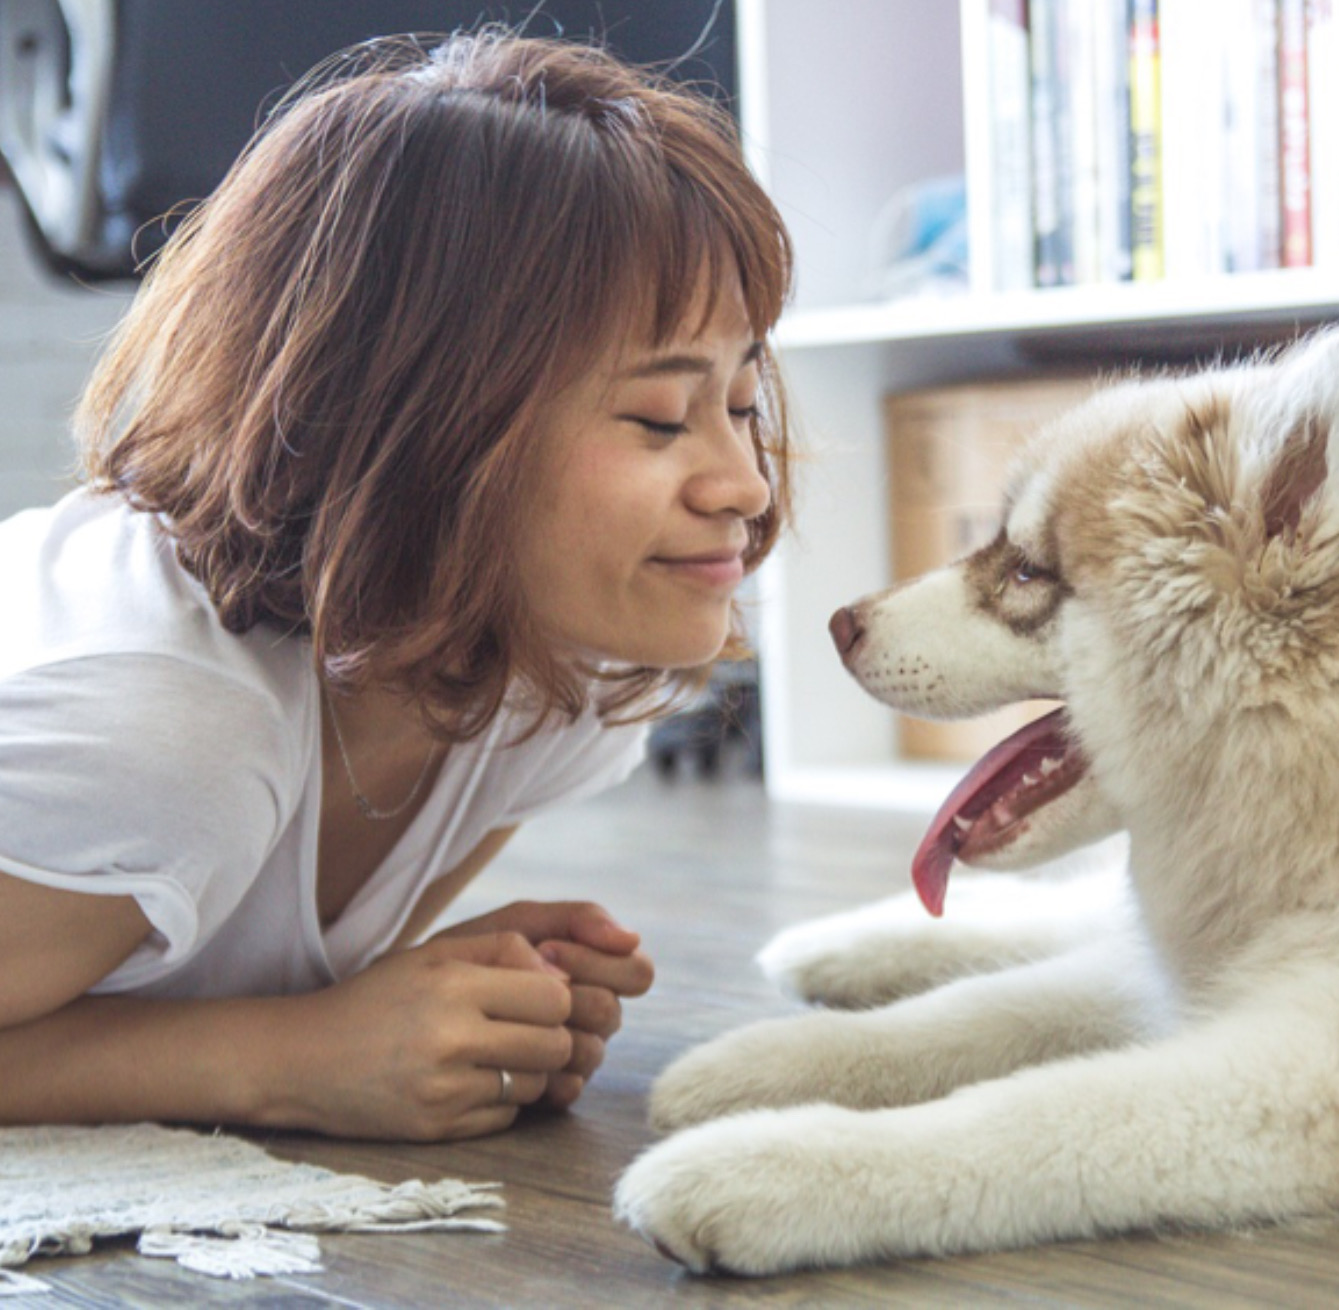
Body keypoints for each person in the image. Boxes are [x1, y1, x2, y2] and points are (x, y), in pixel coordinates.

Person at [0, 26, 793, 1142]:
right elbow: (272, 1036)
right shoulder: (167, 735)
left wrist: (435, 1005)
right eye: (659, 417)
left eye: (744, 405)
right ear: (421, 430)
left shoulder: (551, 669)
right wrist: (282, 1059)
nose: (744, 484)